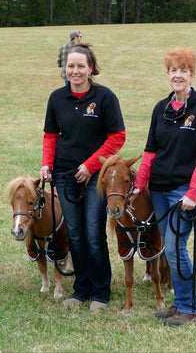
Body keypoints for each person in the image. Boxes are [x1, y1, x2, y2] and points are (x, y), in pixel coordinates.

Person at [128, 46, 196, 326]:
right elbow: (150, 151)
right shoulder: (161, 108)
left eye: (183, 70)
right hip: (159, 191)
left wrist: (193, 193)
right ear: (168, 75)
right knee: (169, 248)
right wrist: (139, 186)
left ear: (192, 74)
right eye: (173, 70)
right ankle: (180, 303)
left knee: (177, 248)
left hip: (184, 192)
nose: (178, 75)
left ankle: (190, 309)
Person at [40, 43, 126, 311]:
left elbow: (117, 137)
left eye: (81, 66)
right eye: (71, 66)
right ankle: (81, 290)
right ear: (65, 69)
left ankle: (101, 291)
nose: (75, 71)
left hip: (96, 178)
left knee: (93, 233)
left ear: (91, 69)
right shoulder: (56, 98)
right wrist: (46, 164)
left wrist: (90, 166)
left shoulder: (104, 97)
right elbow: (50, 136)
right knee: (75, 235)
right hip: (64, 175)